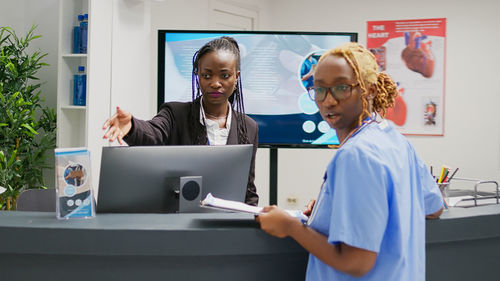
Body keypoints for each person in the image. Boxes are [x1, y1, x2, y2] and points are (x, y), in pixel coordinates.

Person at [256, 42, 443, 280]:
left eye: (342, 88)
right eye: (319, 89)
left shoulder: (355, 155)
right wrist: (338, 207)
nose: (328, 101)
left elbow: (356, 262)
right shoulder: (394, 138)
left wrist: (291, 227)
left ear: (371, 90)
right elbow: (434, 207)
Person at [102, 36, 259, 206]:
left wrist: (251, 224)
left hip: (227, 223)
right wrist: (132, 126)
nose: (215, 83)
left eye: (225, 75)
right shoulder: (175, 114)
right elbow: (153, 133)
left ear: (236, 77)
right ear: (197, 76)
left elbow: (248, 189)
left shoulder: (248, 127)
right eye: (206, 75)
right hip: (181, 218)